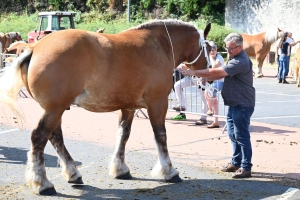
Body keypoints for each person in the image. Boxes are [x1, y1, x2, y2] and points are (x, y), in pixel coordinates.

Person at [178, 33, 255, 178]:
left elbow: (218, 71)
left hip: (242, 104)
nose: (228, 51)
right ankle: (236, 162)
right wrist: (204, 77)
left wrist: (193, 71)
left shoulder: (241, 61)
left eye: (231, 49)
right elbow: (220, 75)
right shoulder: (234, 57)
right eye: (227, 48)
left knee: (242, 136)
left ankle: (246, 167)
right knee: (233, 134)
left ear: (240, 47)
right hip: (235, 103)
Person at [205, 41, 225, 128]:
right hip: (212, 81)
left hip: (220, 81)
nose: (212, 52)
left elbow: (214, 67)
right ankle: (212, 112)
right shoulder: (207, 57)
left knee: (210, 94)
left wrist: (212, 58)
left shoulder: (219, 57)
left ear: (216, 50)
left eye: (213, 50)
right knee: (208, 94)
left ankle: (211, 110)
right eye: (210, 50)